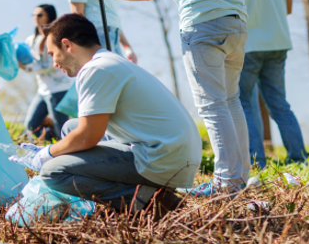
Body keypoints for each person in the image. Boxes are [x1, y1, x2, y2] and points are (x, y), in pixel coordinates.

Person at [90, 0, 249, 197]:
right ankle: (238, 179)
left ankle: (226, 184)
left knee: (213, 105)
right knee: (230, 101)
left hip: (202, 26)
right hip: (235, 23)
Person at [14, 14, 201, 217]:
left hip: (163, 158)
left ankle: (151, 201)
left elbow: (88, 136)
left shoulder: (96, 70)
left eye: (52, 53)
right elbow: (84, 131)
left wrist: (48, 153)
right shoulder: (109, 61)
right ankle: (144, 192)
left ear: (67, 45)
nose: (54, 63)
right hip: (172, 151)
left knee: (54, 172)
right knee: (70, 129)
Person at [224, 0, 308, 169]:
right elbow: (288, 8)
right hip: (278, 43)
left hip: (248, 45)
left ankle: (256, 163)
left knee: (245, 104)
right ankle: (298, 159)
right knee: (279, 104)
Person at [22, 4, 73, 142]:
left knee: (61, 127)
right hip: (42, 90)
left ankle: (68, 152)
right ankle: (55, 146)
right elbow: (27, 60)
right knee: (31, 125)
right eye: (34, 15)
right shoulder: (30, 39)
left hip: (58, 88)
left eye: (40, 15)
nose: (36, 18)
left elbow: (53, 64)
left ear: (49, 17)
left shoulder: (55, 37)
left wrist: (30, 68)